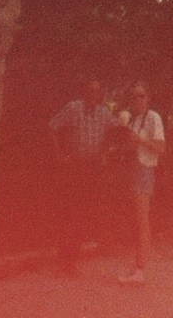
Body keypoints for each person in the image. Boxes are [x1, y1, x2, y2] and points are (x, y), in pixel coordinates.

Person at [49, 76, 117, 275]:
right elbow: (52, 127)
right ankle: (64, 261)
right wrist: (60, 155)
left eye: (97, 92)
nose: (93, 95)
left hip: (93, 168)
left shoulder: (104, 114)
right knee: (70, 212)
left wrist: (108, 151)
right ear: (84, 92)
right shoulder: (73, 108)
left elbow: (119, 131)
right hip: (75, 167)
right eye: (90, 91)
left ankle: (71, 261)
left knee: (83, 214)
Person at [121, 83, 166, 284]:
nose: (138, 100)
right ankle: (137, 264)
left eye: (142, 96)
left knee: (142, 219)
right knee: (135, 219)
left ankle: (140, 268)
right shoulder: (133, 120)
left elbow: (161, 147)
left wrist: (139, 140)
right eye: (134, 97)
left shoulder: (153, 118)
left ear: (148, 98)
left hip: (145, 170)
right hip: (132, 170)